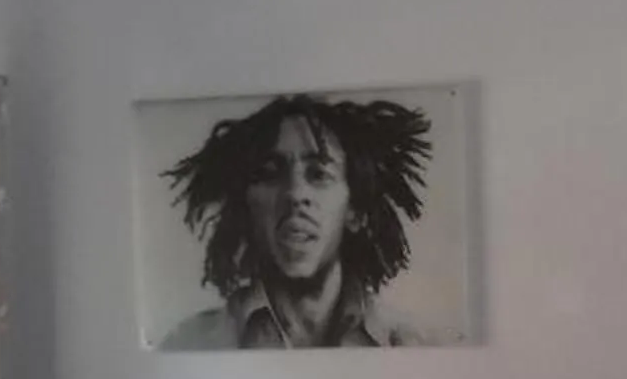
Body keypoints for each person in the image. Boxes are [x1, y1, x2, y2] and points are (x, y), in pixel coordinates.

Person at [159, 94, 433, 349]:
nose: (294, 194)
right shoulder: (188, 344)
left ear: (356, 210)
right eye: (269, 173)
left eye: (318, 174)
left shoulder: (417, 344)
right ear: (245, 207)